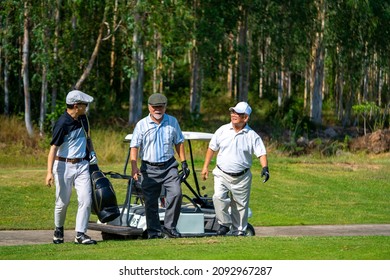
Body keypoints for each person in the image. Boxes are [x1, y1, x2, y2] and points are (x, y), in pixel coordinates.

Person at [201, 101, 270, 236]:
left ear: (246, 118)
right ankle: (224, 224)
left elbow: (261, 153)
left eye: (238, 113)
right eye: (233, 112)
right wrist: (205, 167)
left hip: (242, 177)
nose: (233, 115)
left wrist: (265, 168)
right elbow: (211, 148)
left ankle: (239, 231)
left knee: (240, 206)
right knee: (218, 197)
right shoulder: (222, 130)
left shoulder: (252, 135)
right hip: (221, 173)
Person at [130, 93, 190, 239]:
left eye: (161, 107)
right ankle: (154, 231)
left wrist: (184, 162)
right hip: (149, 168)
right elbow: (135, 146)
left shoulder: (172, 121)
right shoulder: (142, 124)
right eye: (155, 107)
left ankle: (170, 227)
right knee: (150, 201)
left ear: (165, 107)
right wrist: (134, 166)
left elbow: (179, 142)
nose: (158, 110)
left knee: (176, 194)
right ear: (149, 108)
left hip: (169, 166)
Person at [45, 90, 98, 245]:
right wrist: (49, 172)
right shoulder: (62, 123)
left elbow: (88, 138)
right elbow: (53, 148)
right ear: (76, 106)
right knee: (62, 202)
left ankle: (80, 234)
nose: (86, 107)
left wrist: (92, 152)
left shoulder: (84, 119)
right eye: (84, 104)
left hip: (82, 165)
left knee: (86, 200)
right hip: (63, 165)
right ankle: (58, 230)